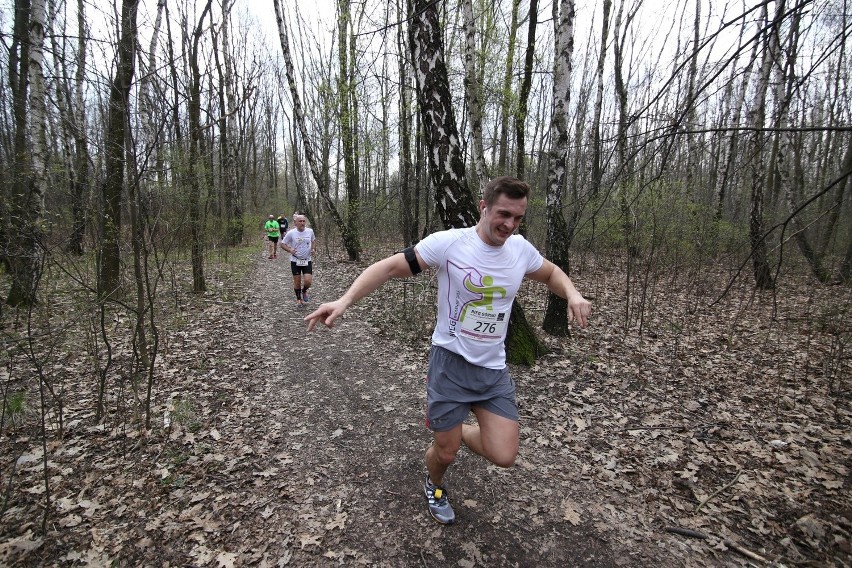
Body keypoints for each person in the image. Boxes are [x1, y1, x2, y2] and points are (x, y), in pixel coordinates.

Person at [304, 176, 592, 525]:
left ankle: (464, 430)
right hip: (450, 365)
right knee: (446, 453)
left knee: (504, 455)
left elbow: (551, 274)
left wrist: (572, 293)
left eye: (518, 218)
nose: (510, 225)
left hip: (492, 370)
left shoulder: (520, 249)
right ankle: (435, 484)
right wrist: (345, 299)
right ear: (483, 208)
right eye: (504, 214)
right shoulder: (450, 244)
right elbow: (390, 266)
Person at [280, 213, 317, 306]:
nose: (302, 223)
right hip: (295, 260)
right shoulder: (291, 233)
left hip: (306, 259)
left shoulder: (310, 231)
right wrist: (290, 250)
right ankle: (299, 299)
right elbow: (282, 244)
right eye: (300, 221)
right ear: (295, 223)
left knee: (308, 281)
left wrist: (313, 249)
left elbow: (313, 240)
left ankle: (304, 291)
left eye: (304, 221)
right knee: (297, 281)